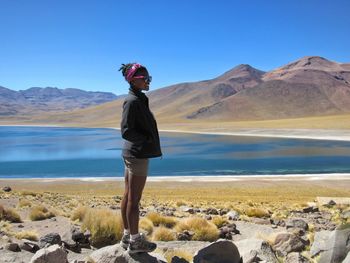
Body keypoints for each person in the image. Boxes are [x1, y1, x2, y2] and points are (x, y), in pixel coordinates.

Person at [118, 63, 162, 254]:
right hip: (137, 155)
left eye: (148, 78)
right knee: (134, 200)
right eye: (144, 78)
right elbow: (126, 130)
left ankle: (127, 235)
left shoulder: (139, 99)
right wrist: (145, 140)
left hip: (132, 153)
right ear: (133, 79)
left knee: (128, 196)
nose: (148, 81)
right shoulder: (132, 101)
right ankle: (135, 242)